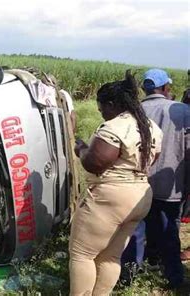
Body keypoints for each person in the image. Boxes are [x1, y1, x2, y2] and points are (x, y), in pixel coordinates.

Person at [69, 70, 163, 295]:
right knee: (110, 256)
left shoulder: (116, 126)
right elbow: (151, 159)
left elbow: (95, 163)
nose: (102, 114)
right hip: (139, 194)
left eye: (102, 108)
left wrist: (82, 148)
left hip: (111, 198)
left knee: (82, 254)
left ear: (112, 104)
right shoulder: (149, 126)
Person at [139, 68, 189, 288]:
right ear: (167, 88)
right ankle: (174, 277)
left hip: (139, 182)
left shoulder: (136, 110)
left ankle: (138, 268)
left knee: (141, 225)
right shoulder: (181, 111)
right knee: (170, 229)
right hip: (171, 183)